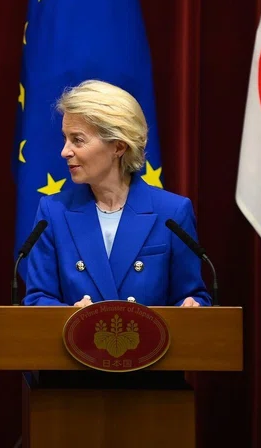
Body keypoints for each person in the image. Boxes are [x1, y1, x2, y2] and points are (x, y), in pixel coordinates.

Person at [23, 79, 210, 308]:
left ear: (118, 147)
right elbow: (37, 299)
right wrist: (70, 316)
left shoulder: (172, 213)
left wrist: (192, 305)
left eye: (78, 140)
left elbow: (192, 294)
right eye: (65, 139)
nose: (65, 151)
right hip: (74, 343)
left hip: (150, 343)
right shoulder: (53, 212)